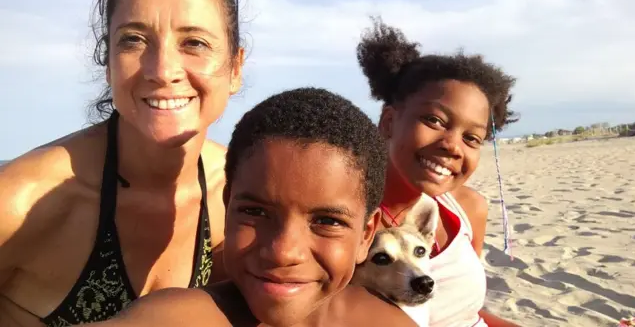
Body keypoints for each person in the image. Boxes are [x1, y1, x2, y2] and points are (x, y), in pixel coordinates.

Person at [0, 0, 243, 326]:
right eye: (133, 40)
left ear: (235, 68)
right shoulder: (23, 204)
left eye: (194, 43)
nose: (162, 70)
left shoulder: (240, 196)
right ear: (108, 66)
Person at [79, 87, 417, 327]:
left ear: (366, 236)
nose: (284, 252)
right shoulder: (184, 317)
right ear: (227, 208)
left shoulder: (389, 322)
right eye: (255, 212)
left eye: (327, 220)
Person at [356, 17, 520, 327]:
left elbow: (467, 313)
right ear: (389, 121)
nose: (453, 147)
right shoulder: (345, 216)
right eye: (435, 121)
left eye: (472, 138)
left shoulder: (468, 209)